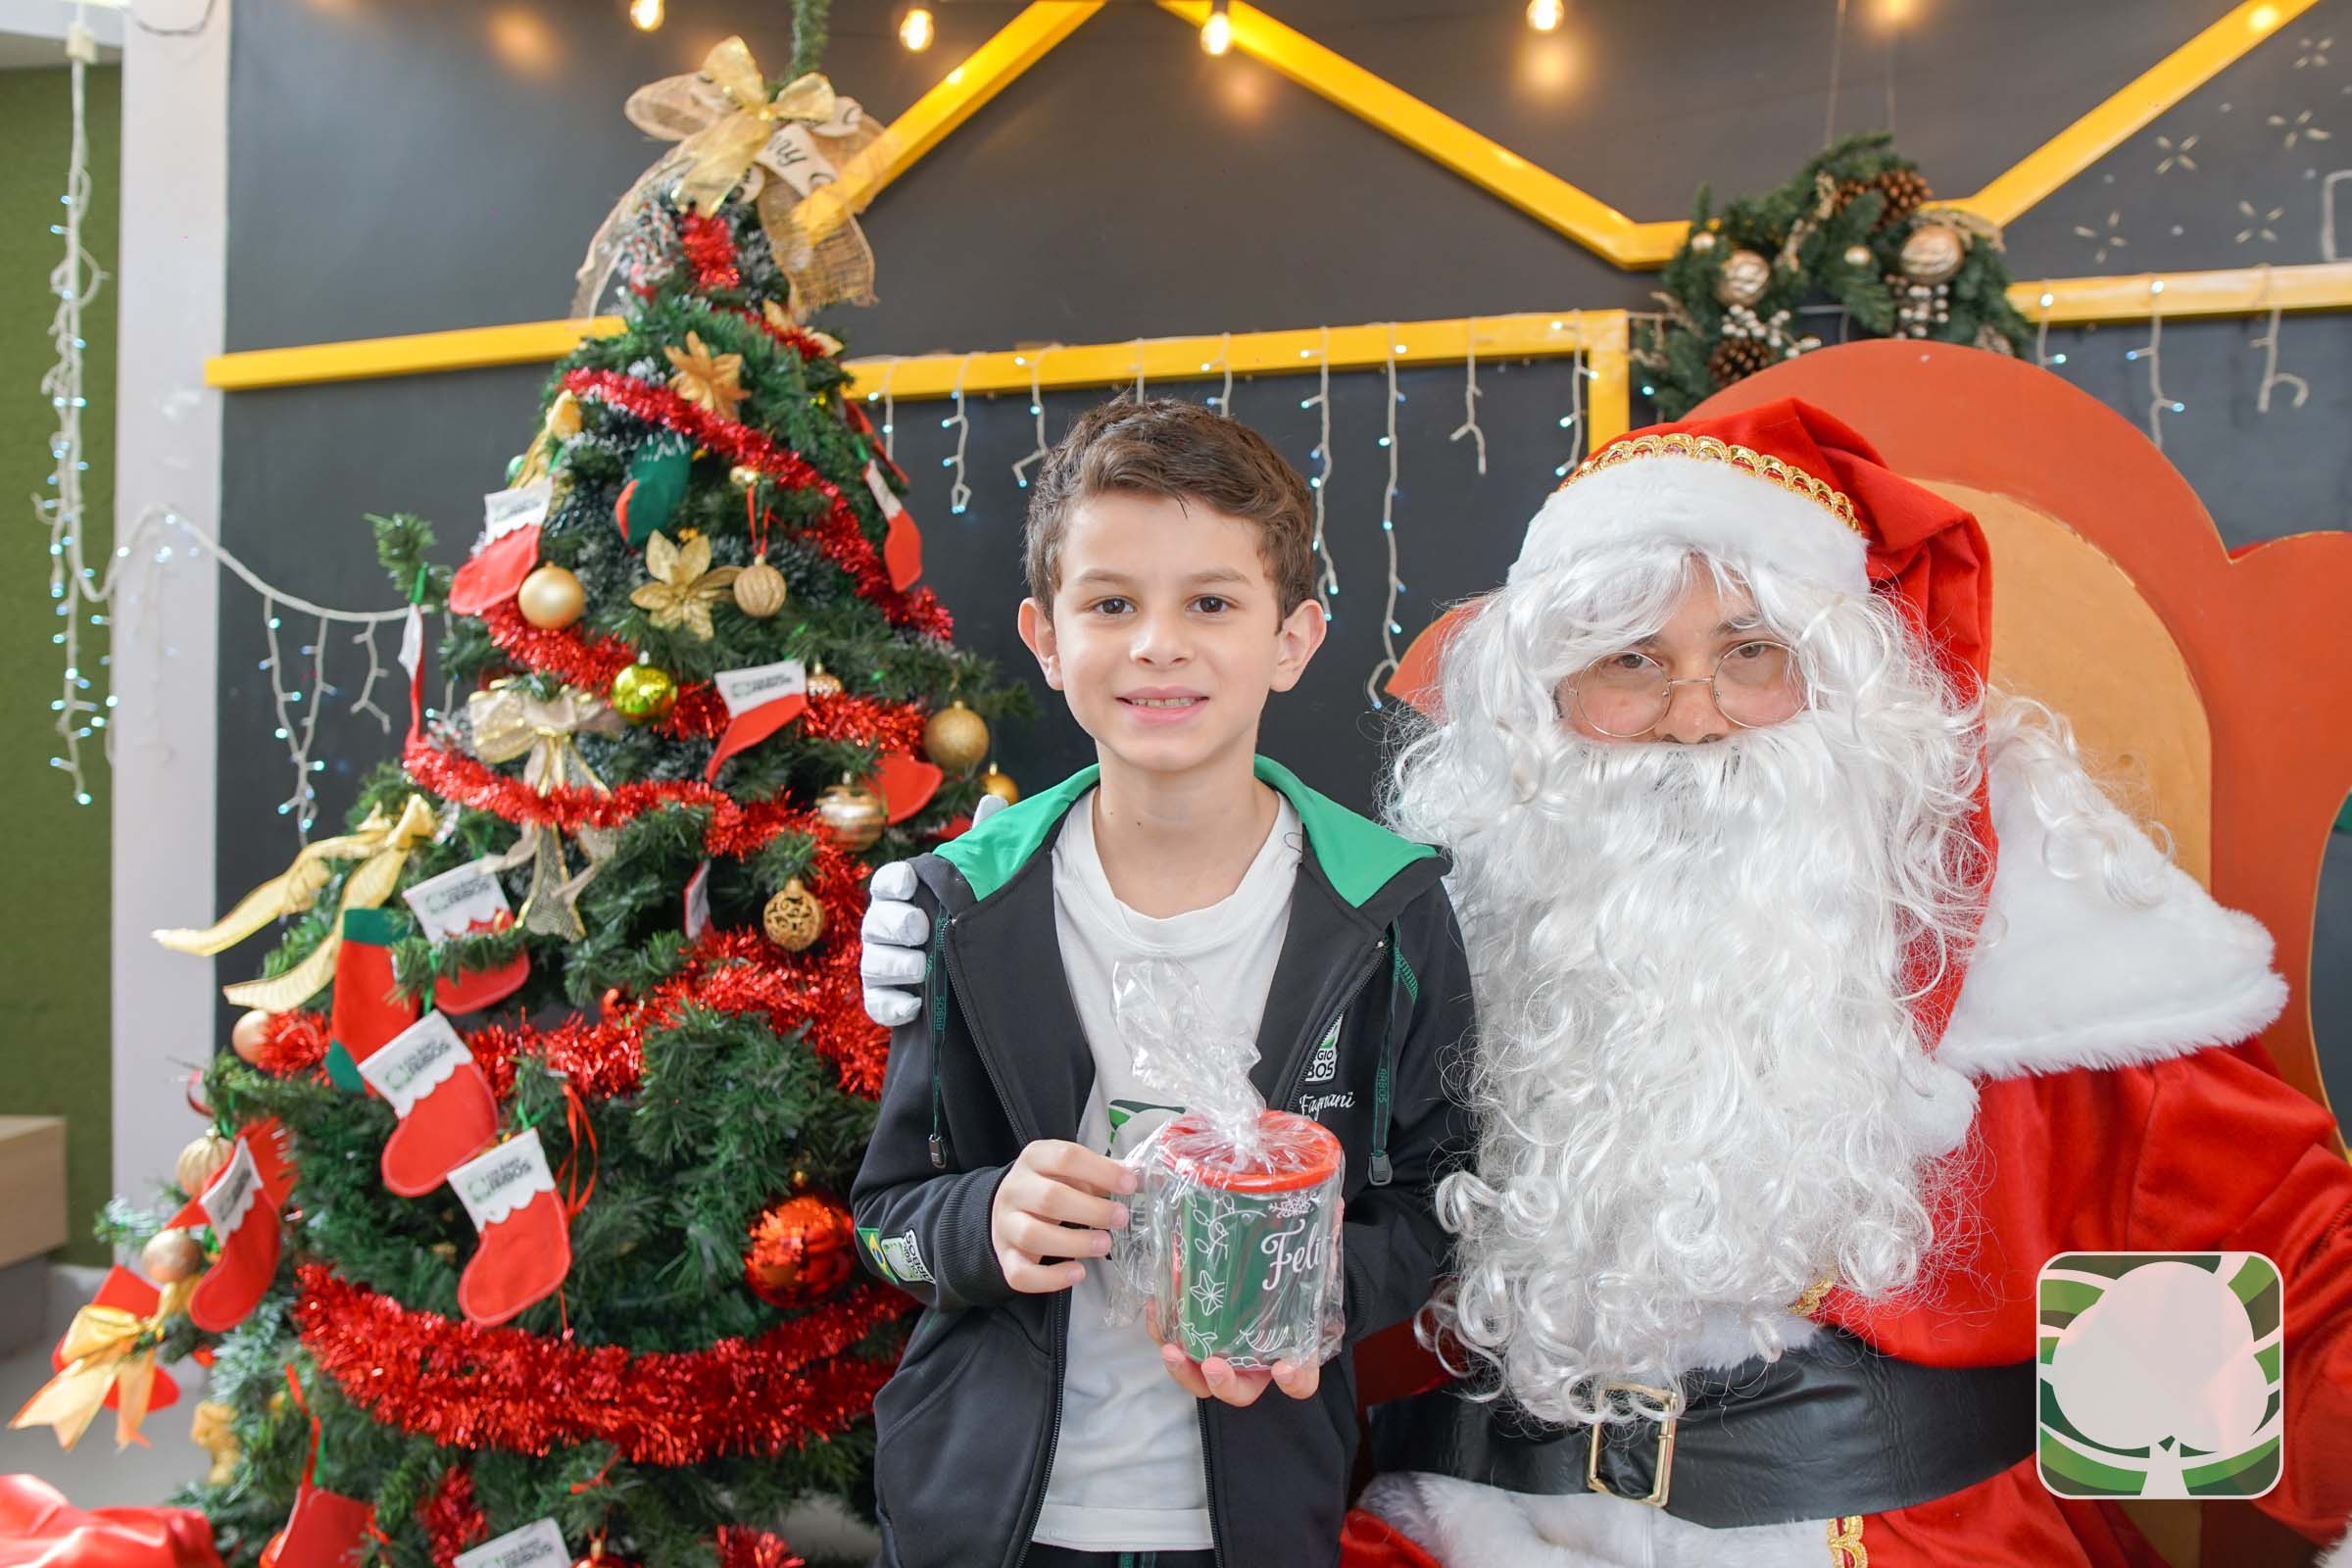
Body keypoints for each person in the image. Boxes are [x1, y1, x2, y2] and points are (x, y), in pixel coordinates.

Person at [1352, 399, 2352, 1566]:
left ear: (1840, 682)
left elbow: (2300, 1300)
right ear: (1544, 701)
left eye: (1751, 654)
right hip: (1478, 1521)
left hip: (1888, 1532)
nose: (1695, 720)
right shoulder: (1458, 934)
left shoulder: (2033, 960)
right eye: (1631, 661)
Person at [850, 396, 1476, 1568]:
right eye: (1110, 604)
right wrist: (985, 1223)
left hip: (1260, 1520)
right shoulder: (966, 907)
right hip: (984, 1522)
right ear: (1045, 637)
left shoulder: (1387, 909)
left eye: (1211, 603)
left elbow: (1441, 1205)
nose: (1157, 644)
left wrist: (1304, 1279)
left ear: (1293, 638)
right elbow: (887, 1225)